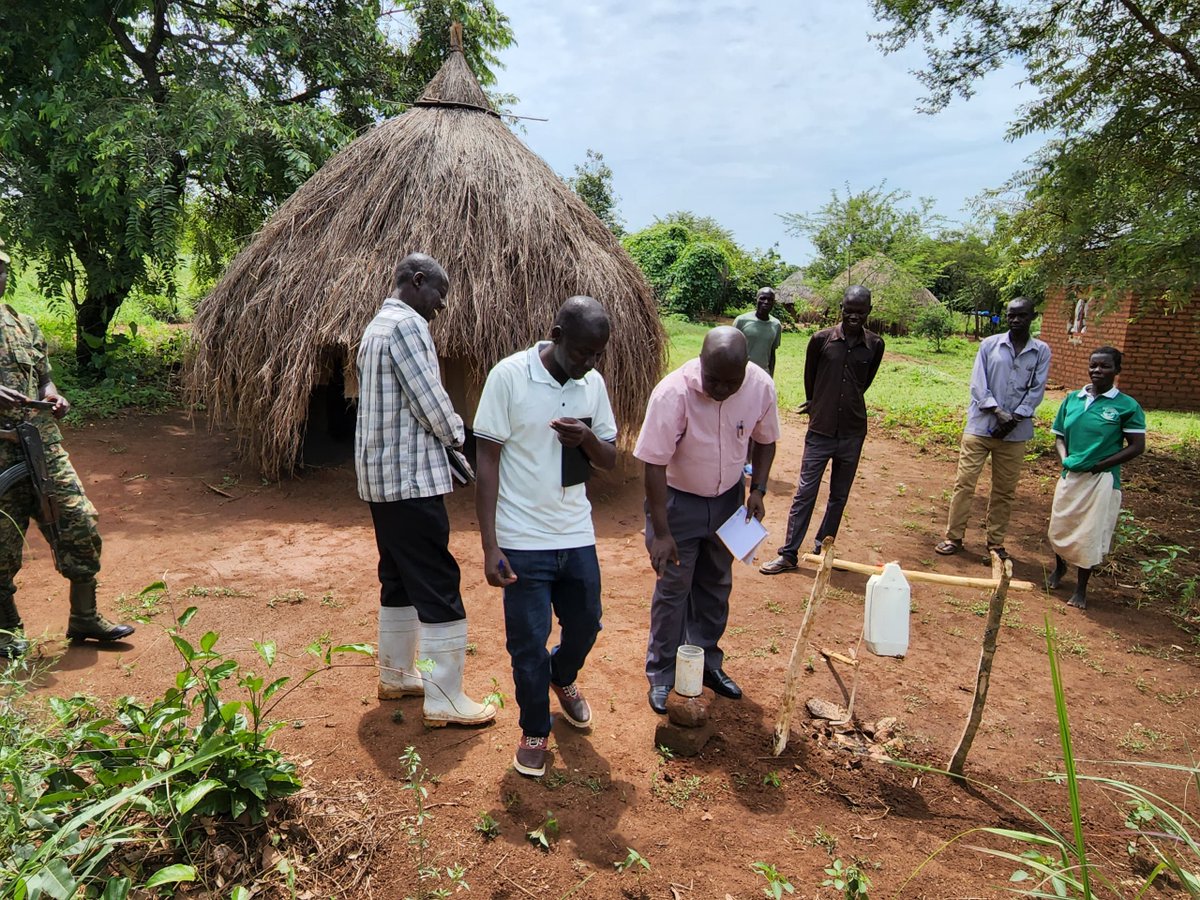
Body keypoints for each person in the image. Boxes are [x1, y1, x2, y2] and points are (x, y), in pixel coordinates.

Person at [474, 296, 617, 778]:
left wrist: (588, 440)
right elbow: (488, 460)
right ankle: (535, 729)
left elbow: (610, 457)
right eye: (581, 352)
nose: (589, 363)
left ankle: (564, 675)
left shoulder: (592, 384)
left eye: (597, 354)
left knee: (588, 624)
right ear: (556, 333)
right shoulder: (509, 376)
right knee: (527, 643)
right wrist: (490, 544)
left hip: (576, 532)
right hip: (521, 538)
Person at [355, 252, 495, 727]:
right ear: (417, 282)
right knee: (437, 583)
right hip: (411, 481)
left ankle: (396, 675)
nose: (441, 305)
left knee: (397, 577)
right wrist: (461, 435)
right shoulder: (408, 327)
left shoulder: (375, 328)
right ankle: (444, 694)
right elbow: (432, 405)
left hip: (382, 481)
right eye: (440, 293)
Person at [635, 327, 780, 714]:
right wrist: (661, 533)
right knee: (673, 590)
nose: (719, 388)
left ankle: (707, 663)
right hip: (677, 503)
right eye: (713, 378)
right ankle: (662, 674)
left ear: (745, 371)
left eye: (731, 383)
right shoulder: (673, 393)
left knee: (716, 586)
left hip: (729, 501)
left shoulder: (759, 387)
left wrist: (759, 490)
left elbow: (766, 440)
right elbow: (653, 463)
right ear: (701, 361)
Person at [0, 244, 134, 659]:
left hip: (40, 446)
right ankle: (5, 629)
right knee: (2, 541)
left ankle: (84, 617)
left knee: (79, 521)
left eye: (3, 270)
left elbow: (44, 379)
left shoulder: (25, 325)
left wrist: (53, 397)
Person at [759, 285, 884, 575]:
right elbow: (810, 379)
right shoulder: (821, 340)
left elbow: (865, 383)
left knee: (839, 495)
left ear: (869, 312)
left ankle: (822, 549)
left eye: (860, 311)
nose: (854, 316)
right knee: (806, 492)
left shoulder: (875, 345)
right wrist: (820, 405)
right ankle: (789, 554)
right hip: (821, 431)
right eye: (848, 310)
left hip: (853, 431)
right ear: (841, 309)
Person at [935, 297, 1051, 560]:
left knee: (1004, 490)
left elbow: (1036, 391)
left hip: (1015, 434)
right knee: (964, 484)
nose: (1016, 320)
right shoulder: (989, 345)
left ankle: (995, 543)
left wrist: (1013, 419)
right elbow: (978, 384)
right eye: (1011, 315)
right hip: (980, 427)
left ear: (1033, 316)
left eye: (1022, 315)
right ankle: (954, 537)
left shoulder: (1041, 351)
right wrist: (998, 412)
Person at [1047, 347, 1145, 609]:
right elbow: (1059, 435)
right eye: (1093, 366)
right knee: (1061, 524)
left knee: (1089, 532)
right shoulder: (1072, 399)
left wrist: (1099, 465)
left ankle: (1081, 589)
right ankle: (1059, 569)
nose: (1097, 371)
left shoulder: (1126, 406)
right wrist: (1065, 458)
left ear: (1117, 370)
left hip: (1101, 478)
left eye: (1104, 366)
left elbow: (1136, 446)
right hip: (1071, 473)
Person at [734, 287, 783, 377]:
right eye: (763, 298)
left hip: (763, 374)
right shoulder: (741, 320)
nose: (766, 302)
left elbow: (772, 354)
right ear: (756, 299)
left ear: (774, 303)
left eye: (770, 300)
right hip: (742, 373)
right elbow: (732, 348)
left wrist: (770, 377)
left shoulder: (776, 325)